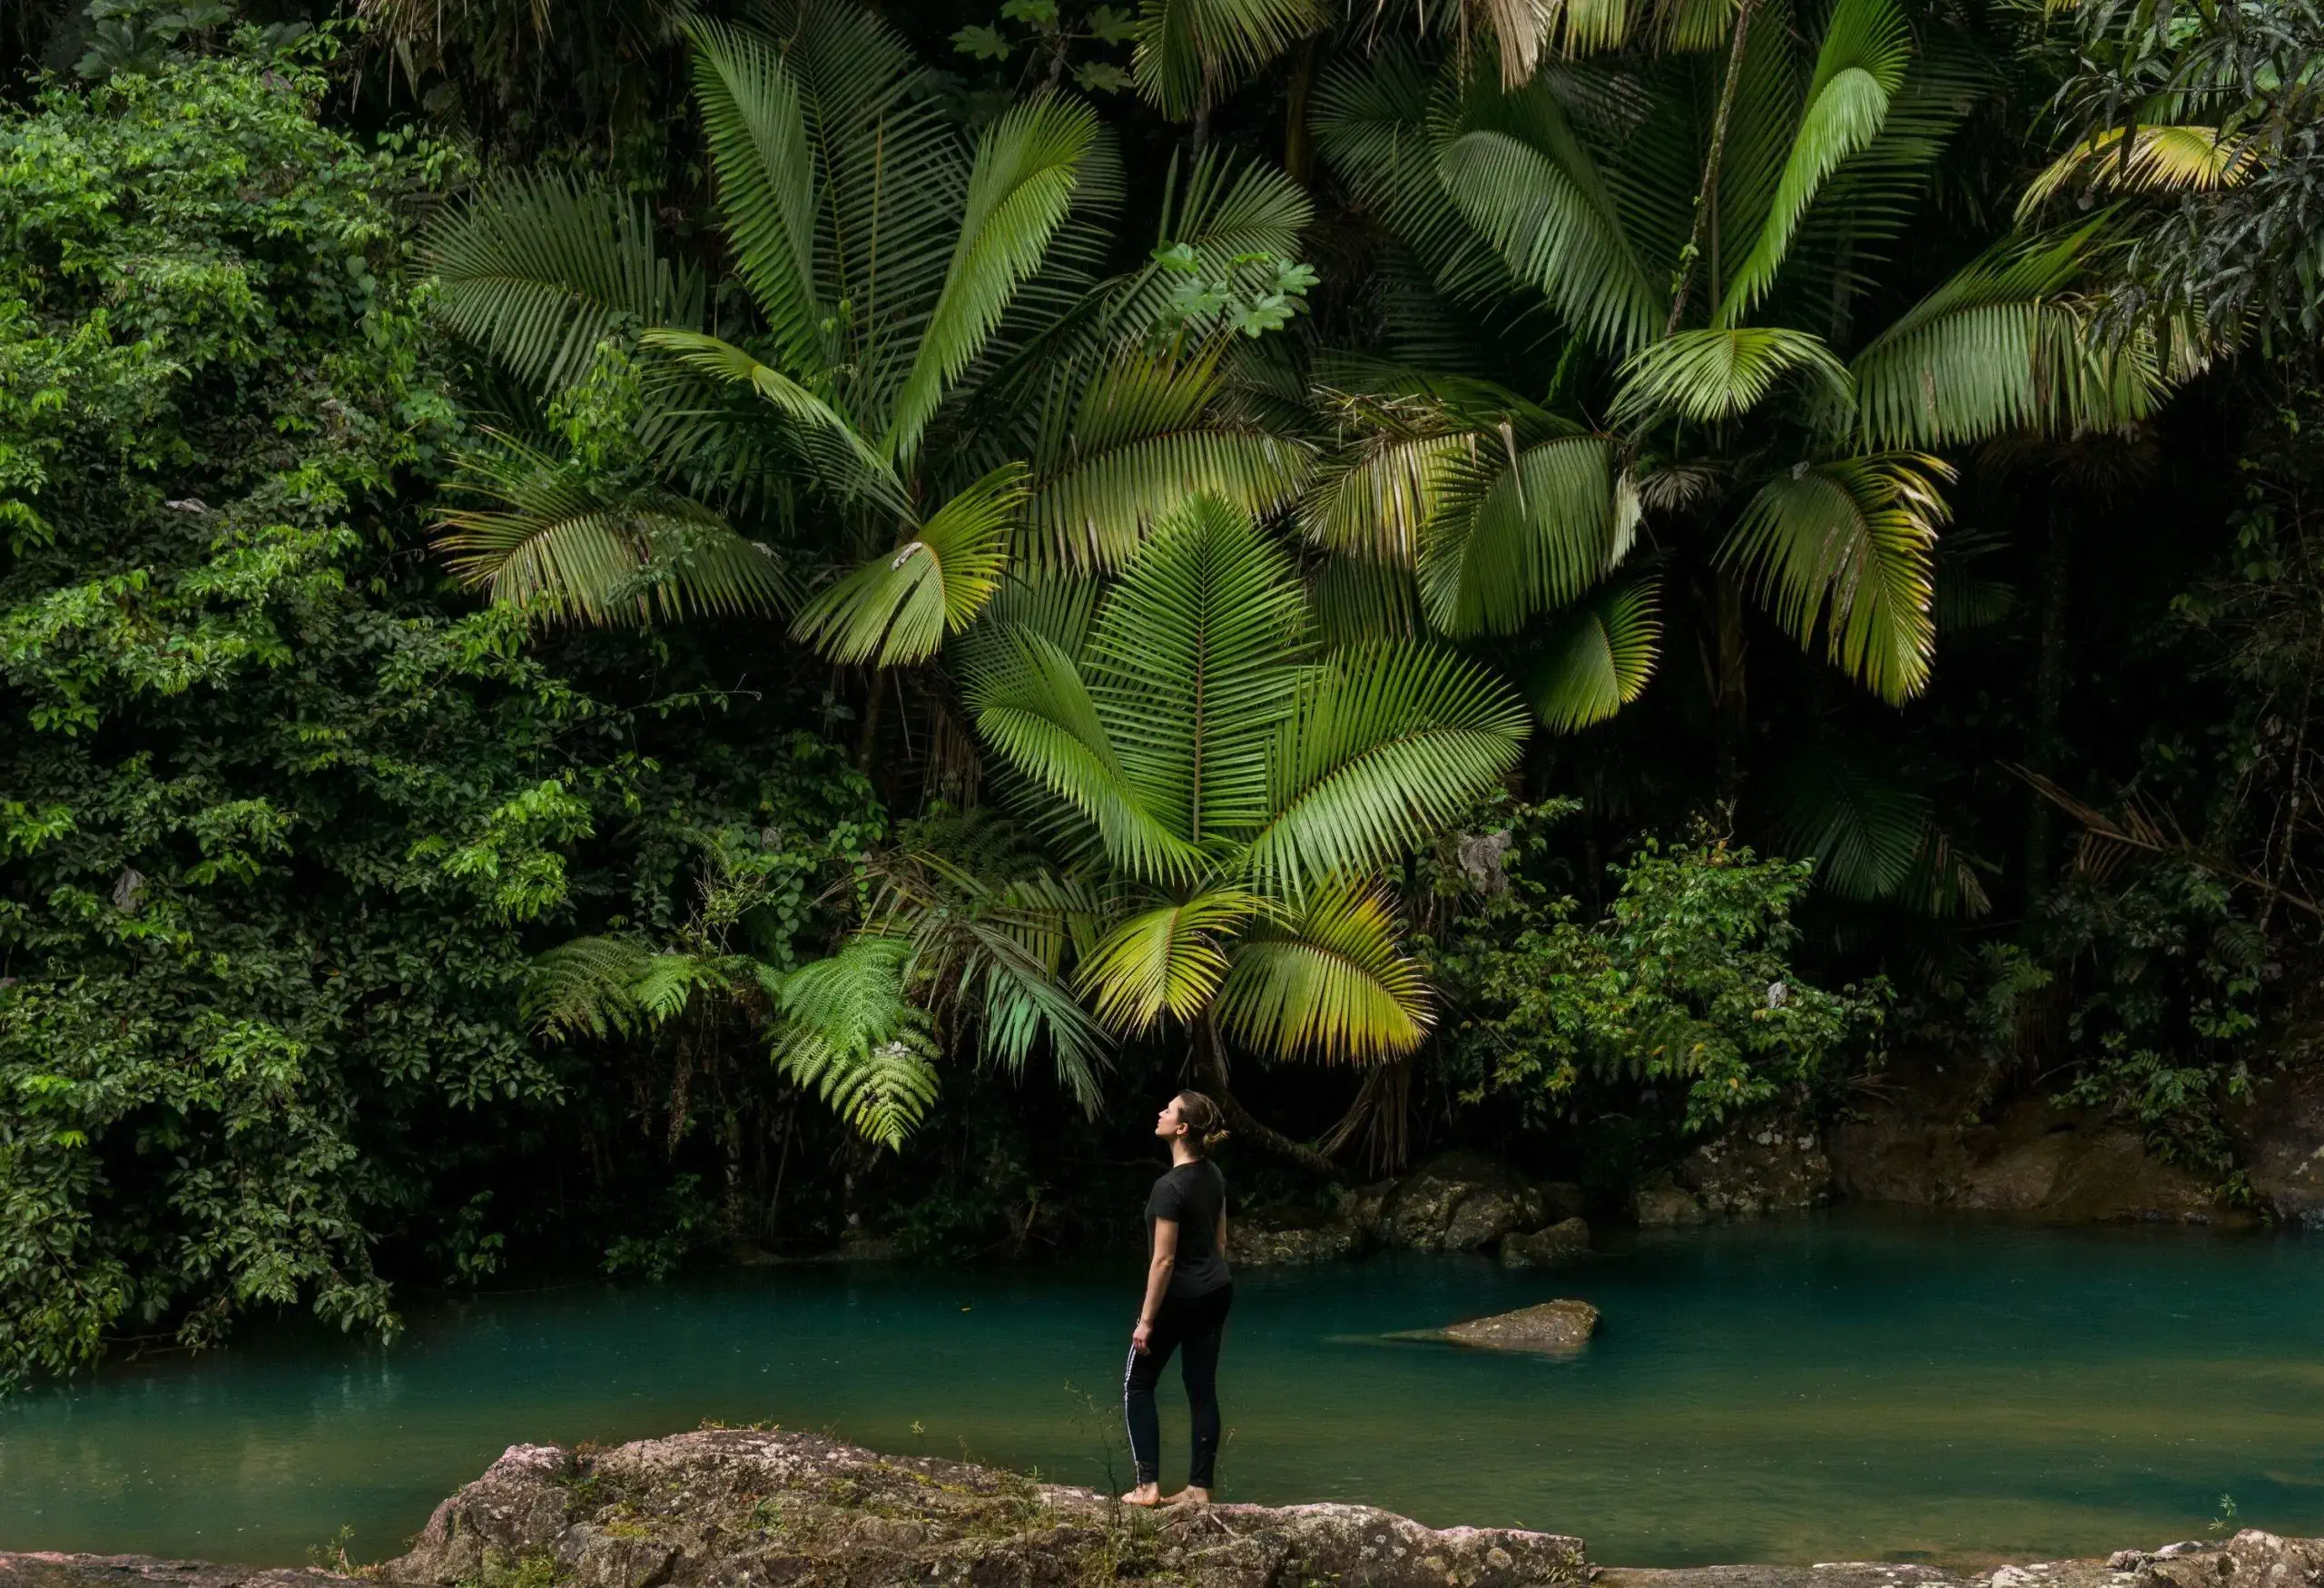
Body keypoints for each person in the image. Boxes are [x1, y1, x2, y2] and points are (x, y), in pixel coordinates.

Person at [1121, 1090, 1233, 1507]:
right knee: (1201, 1388)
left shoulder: (1167, 1188)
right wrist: (1207, 1280)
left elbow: (1163, 1260)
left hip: (1177, 1297)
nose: (1160, 1112)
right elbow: (1221, 1243)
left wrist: (1147, 1321)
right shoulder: (1214, 1175)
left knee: (1137, 1384)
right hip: (1216, 1290)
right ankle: (1199, 1489)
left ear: (1182, 1128)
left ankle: (1147, 1487)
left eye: (1168, 1110)